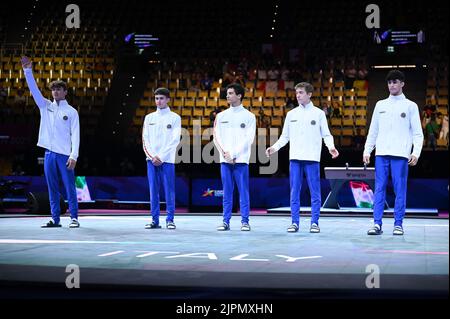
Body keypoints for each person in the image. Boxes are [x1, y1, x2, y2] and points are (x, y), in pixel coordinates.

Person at [266, 82, 339, 233]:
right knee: (294, 191)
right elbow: (285, 137)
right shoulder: (291, 114)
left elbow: (326, 134)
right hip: (295, 159)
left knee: (315, 191)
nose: (297, 95)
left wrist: (331, 147)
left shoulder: (318, 113)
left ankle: (315, 222)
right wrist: (274, 148)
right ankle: (294, 222)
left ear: (309, 94)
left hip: (312, 159)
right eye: (297, 92)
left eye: (301, 92)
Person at [21, 56, 80, 228]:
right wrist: (27, 71)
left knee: (70, 187)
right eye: (53, 89)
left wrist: (73, 155)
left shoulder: (71, 112)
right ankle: (55, 219)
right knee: (52, 187)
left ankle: (74, 217)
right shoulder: (45, 106)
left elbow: (75, 135)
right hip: (49, 154)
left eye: (59, 89)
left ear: (65, 92)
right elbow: (33, 89)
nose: (55, 92)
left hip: (65, 155)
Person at [363, 70, 424, 236]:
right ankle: (377, 224)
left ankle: (398, 224)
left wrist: (416, 152)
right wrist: (367, 150)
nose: (392, 85)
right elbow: (373, 130)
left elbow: (418, 133)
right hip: (381, 153)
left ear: (402, 84)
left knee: (400, 190)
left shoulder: (411, 106)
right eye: (389, 82)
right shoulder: (380, 105)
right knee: (379, 189)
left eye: (395, 82)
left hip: (401, 155)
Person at [213, 83, 256, 231]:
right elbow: (216, 137)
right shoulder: (220, 116)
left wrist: (234, 154)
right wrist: (226, 154)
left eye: (231, 93)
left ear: (239, 96)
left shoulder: (249, 116)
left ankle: (245, 221)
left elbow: (249, 139)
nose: (227, 95)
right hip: (225, 161)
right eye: (227, 93)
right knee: (227, 191)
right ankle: (226, 221)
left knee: (243, 191)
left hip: (241, 160)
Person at [142, 87, 181, 229]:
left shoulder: (175, 118)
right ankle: (154, 220)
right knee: (153, 191)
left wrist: (162, 157)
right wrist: (153, 157)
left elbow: (175, 140)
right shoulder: (149, 117)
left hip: (167, 160)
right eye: (156, 98)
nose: (158, 101)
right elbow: (145, 139)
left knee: (169, 190)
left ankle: (170, 219)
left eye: (161, 98)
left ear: (168, 99)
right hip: (151, 160)